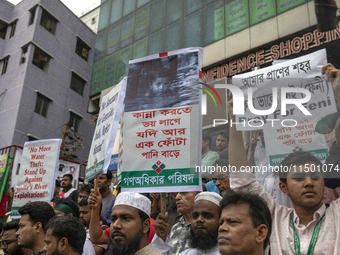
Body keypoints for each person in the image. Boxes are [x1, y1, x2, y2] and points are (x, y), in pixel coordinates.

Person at [226, 87, 340, 254]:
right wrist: (234, 120)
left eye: (315, 177)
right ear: (283, 187)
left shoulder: (337, 214)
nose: (309, 182)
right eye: (299, 178)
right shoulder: (276, 218)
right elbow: (242, 180)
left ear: (324, 182)